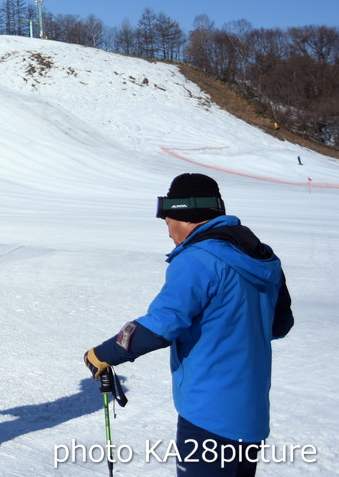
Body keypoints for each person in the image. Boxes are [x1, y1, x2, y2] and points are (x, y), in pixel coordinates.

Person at [83, 173, 293, 477]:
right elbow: (280, 324)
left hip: (208, 413)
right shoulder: (262, 257)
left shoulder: (197, 259)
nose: (168, 232)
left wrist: (104, 354)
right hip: (251, 413)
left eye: (168, 222)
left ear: (185, 215)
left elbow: (162, 325)